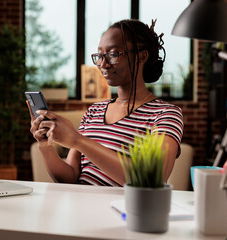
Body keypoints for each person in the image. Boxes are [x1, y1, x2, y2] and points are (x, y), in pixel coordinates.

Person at [28, 19, 183, 187]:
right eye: (100, 55)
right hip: (79, 208)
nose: (103, 64)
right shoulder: (94, 111)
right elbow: (70, 176)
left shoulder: (165, 114)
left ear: (142, 56)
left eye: (113, 54)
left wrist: (78, 141)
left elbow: (153, 178)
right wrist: (45, 145)